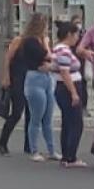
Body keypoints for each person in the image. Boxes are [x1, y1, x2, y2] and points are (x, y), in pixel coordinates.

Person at [22, 13, 60, 162]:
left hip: (46, 78)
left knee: (48, 118)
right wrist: (45, 43)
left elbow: (50, 60)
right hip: (34, 79)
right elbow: (47, 56)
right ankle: (34, 150)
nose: (47, 28)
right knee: (36, 117)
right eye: (45, 25)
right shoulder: (30, 41)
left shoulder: (39, 40)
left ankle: (51, 150)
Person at [0, 20, 36, 157]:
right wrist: (6, 76)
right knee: (16, 113)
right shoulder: (18, 41)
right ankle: (2, 143)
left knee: (31, 114)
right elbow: (8, 58)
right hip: (17, 79)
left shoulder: (37, 43)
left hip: (31, 80)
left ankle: (29, 145)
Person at [53, 21, 87, 168]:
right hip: (68, 87)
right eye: (76, 35)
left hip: (64, 87)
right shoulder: (64, 50)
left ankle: (67, 156)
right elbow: (65, 72)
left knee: (68, 122)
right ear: (69, 34)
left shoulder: (60, 49)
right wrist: (73, 93)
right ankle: (70, 156)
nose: (77, 38)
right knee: (76, 123)